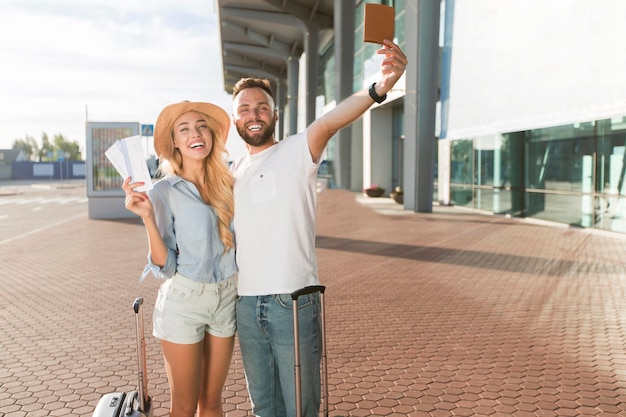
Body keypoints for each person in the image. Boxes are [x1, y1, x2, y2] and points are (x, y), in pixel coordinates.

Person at [230, 39, 408, 417]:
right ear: (235, 120)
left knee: (301, 409)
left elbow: (331, 120)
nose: (254, 113)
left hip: (291, 301)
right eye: (244, 109)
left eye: (262, 106)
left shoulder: (297, 150)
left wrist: (381, 87)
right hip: (245, 304)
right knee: (264, 408)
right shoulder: (232, 172)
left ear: (275, 115)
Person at [123, 101, 237, 417]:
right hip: (185, 302)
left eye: (201, 125)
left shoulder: (228, 182)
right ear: (174, 142)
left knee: (212, 403)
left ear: (211, 134)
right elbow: (165, 266)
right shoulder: (164, 191)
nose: (195, 134)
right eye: (184, 129)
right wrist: (147, 218)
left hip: (226, 299)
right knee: (185, 408)